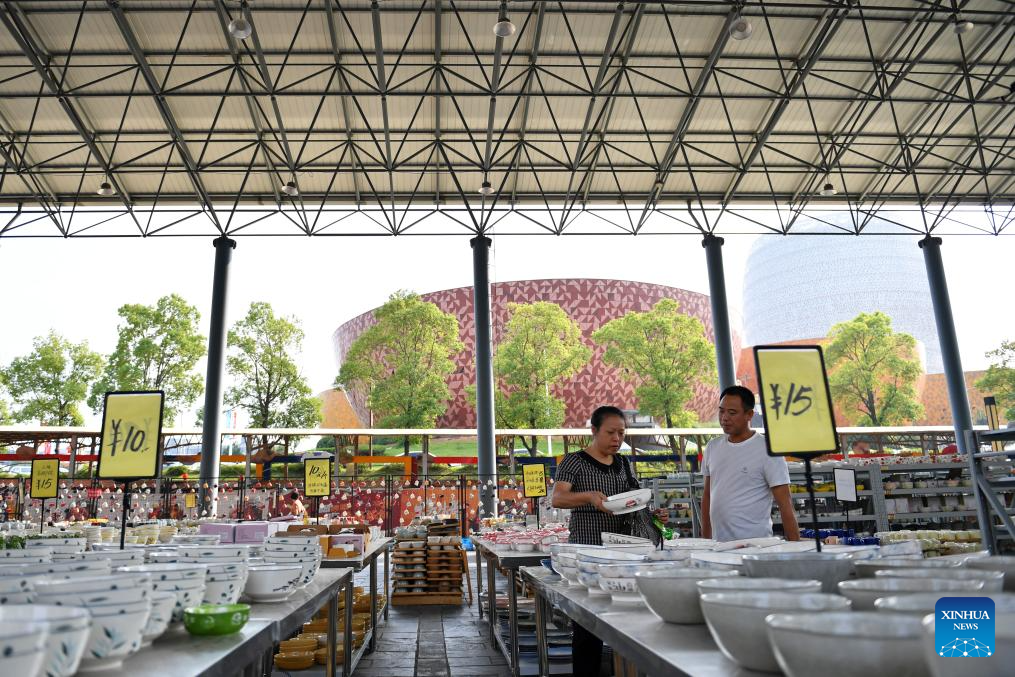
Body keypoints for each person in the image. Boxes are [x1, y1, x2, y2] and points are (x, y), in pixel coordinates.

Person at [551, 405, 667, 677]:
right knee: (587, 627)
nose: (617, 439)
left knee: (624, 620)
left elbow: (631, 500)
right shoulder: (574, 461)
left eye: (622, 433)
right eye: (611, 432)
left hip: (622, 552)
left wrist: (651, 513)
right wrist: (589, 496)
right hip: (588, 553)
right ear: (594, 431)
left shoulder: (623, 463)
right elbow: (557, 498)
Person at [701, 385, 800, 542]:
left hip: (756, 546)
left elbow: (785, 503)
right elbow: (707, 497)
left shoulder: (768, 450)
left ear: (749, 415)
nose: (724, 417)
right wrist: (705, 542)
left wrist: (795, 546)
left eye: (732, 413)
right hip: (718, 546)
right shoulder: (712, 447)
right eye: (721, 411)